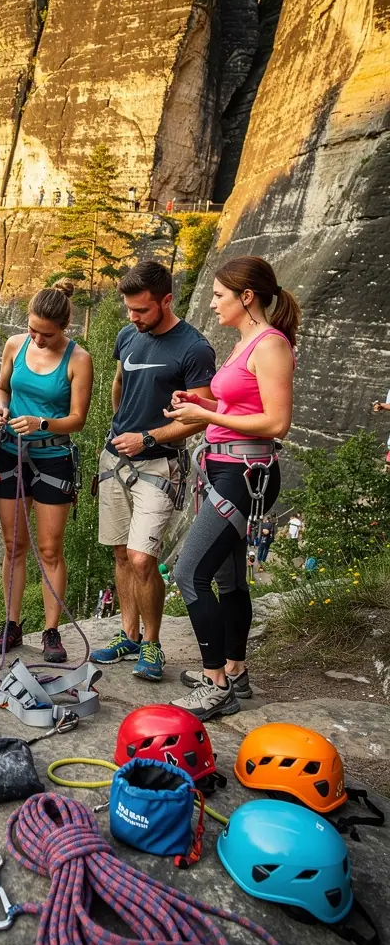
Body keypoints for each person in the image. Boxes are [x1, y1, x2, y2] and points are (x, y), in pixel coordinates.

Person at [166, 255, 300, 719]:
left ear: (247, 297)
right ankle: (235, 671)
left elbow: (276, 421)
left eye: (219, 294)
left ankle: (213, 683)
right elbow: (239, 401)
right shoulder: (247, 342)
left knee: (189, 574)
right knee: (228, 579)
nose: (212, 301)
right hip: (227, 468)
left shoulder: (270, 346)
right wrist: (199, 398)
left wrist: (205, 415)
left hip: (246, 473)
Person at [90, 261, 216, 681]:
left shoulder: (194, 349)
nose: (132, 318)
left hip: (160, 464)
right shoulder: (129, 335)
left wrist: (147, 438)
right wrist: (118, 429)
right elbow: (119, 384)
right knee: (122, 554)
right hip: (116, 460)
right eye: (128, 309)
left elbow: (199, 417)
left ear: (166, 300)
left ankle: (152, 644)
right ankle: (128, 635)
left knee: (144, 559)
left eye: (141, 310)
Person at [0, 283, 94, 663]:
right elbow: (1, 389)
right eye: (33, 329)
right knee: (14, 544)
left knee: (50, 548)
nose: (37, 338)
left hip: (52, 457)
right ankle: (11, 623)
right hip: (10, 452)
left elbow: (78, 420)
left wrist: (42, 423)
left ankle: (51, 631)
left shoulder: (78, 359)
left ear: (64, 327)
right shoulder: (15, 345)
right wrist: (1, 408)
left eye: (46, 334)